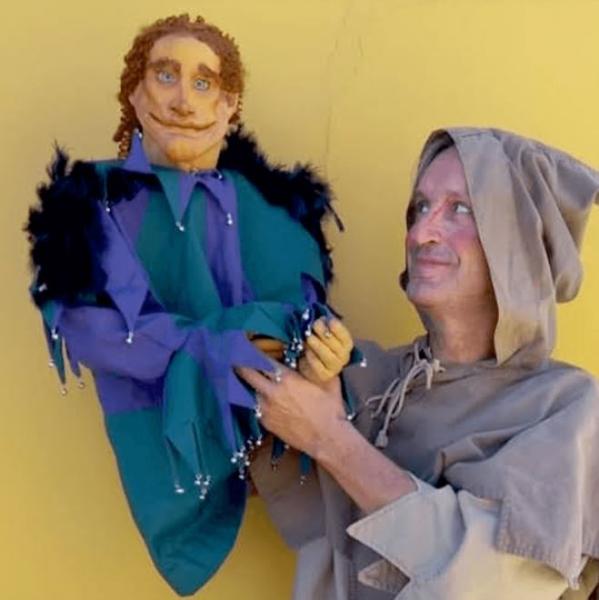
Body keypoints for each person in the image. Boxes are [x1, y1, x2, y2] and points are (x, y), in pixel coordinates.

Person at [25, 13, 356, 596]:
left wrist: (325, 351)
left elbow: (303, 318)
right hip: (164, 448)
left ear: (229, 106)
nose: (183, 101)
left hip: (291, 456)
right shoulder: (91, 204)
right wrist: (220, 345)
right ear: (134, 91)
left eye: (204, 83)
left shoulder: (274, 207)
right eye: (165, 75)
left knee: (344, 552)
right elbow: (93, 329)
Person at [240, 128, 599, 599]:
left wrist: (329, 438)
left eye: (460, 209)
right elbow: (223, 453)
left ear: (517, 243)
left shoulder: (569, 411)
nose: (420, 232)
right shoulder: (369, 379)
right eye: (420, 208)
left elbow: (480, 584)